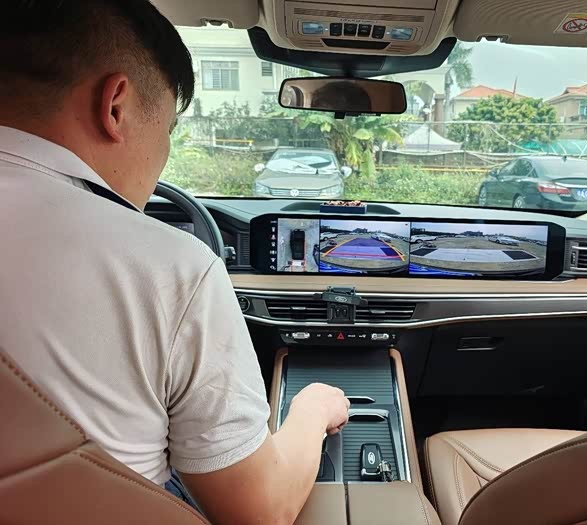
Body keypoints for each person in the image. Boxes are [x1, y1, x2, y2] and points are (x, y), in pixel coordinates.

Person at [0, 2, 349, 525]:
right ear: (115, 105)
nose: (162, 152)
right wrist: (313, 409)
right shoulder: (173, 264)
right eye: (166, 128)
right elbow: (261, 510)